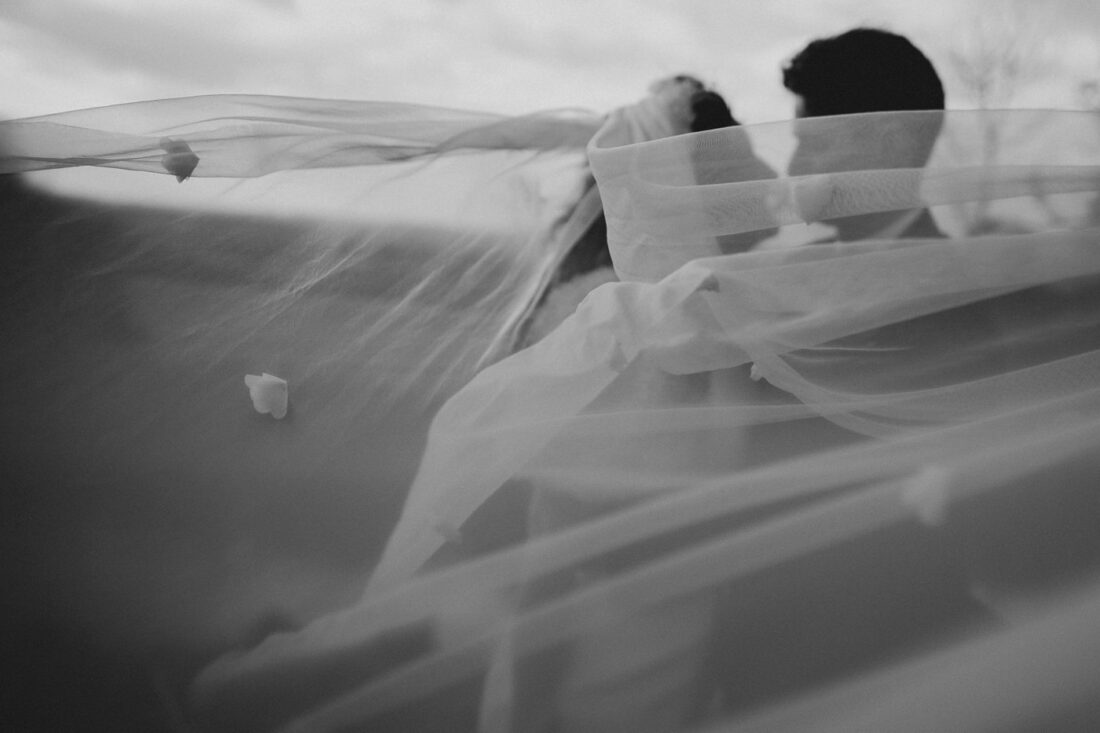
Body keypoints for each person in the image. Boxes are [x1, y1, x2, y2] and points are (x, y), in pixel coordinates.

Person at [783, 27, 947, 241]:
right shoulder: (793, 265)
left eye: (817, 144)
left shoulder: (963, 273)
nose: (794, 167)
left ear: (893, 144)